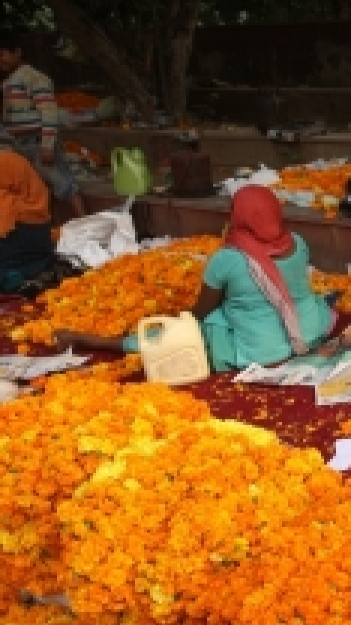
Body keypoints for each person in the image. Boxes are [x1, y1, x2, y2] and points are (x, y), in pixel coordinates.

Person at [55, 185, 333, 371]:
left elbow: (202, 311)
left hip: (261, 350)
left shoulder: (227, 259)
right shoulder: (298, 242)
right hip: (310, 332)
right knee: (306, 299)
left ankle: (94, 341)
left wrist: (179, 319)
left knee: (195, 327)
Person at [0, 29, 85, 221]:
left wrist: (47, 145)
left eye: (2, 54)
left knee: (65, 184)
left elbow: (48, 113)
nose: (0, 60)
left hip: (38, 141)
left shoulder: (34, 78)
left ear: (17, 52)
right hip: (21, 143)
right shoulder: (9, 82)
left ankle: (86, 223)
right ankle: (47, 226)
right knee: (39, 186)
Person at [0, 149, 56, 294]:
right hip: (37, 232)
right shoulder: (8, 159)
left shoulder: (5, 163)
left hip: (21, 230)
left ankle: (14, 278)